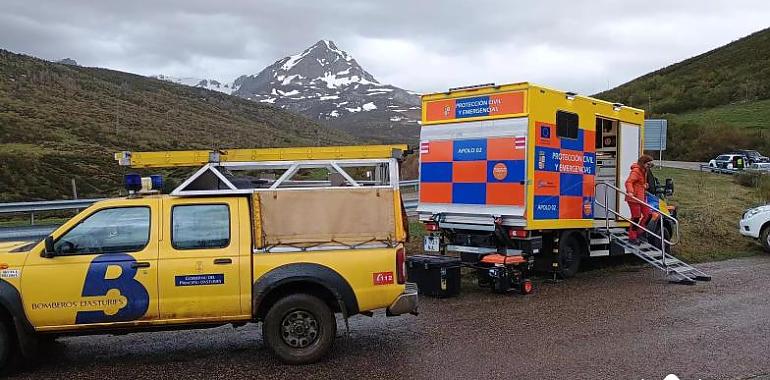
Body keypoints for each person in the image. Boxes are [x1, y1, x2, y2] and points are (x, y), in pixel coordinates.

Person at [625, 154, 654, 244]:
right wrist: (630, 192)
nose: (649, 166)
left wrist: (644, 186)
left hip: (641, 197)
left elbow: (639, 183)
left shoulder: (644, 171)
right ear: (643, 163)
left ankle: (640, 233)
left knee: (648, 215)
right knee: (636, 217)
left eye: (650, 165)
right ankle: (632, 237)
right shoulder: (636, 171)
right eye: (648, 164)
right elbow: (629, 182)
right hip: (634, 198)